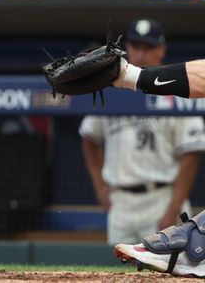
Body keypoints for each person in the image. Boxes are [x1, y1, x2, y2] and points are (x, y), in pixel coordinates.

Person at [82, 19, 205, 247]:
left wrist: (173, 207)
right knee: (119, 273)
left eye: (148, 47)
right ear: (127, 47)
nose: (141, 54)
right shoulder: (111, 91)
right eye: (136, 46)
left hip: (162, 195)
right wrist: (100, 186)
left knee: (169, 274)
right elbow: (89, 136)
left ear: (161, 49)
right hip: (121, 199)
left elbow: (190, 155)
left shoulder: (181, 87)